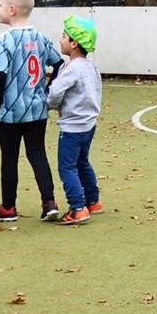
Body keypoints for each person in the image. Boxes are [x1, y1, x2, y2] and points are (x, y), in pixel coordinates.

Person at [0, 0, 63, 223]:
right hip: (37, 109)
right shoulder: (40, 36)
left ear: (11, 9)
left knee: (9, 157)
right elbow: (58, 64)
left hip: (10, 112)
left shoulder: (3, 40)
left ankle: (8, 207)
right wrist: (47, 90)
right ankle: (49, 202)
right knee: (37, 153)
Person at [49, 16, 103, 226]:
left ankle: (77, 207)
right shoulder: (91, 67)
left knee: (67, 167)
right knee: (82, 162)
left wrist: (51, 104)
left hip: (72, 126)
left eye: (64, 36)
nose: (60, 39)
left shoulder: (71, 68)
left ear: (74, 43)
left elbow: (55, 91)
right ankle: (93, 200)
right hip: (89, 124)